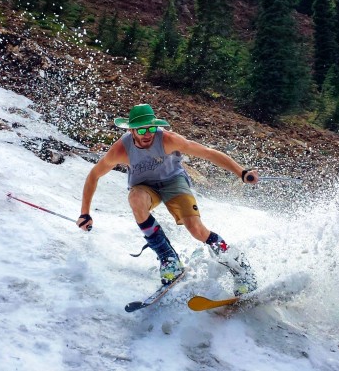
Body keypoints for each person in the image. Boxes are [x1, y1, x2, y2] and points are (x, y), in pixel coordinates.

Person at [77, 103, 259, 296]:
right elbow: (93, 176)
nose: (148, 134)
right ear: (131, 130)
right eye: (141, 129)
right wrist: (85, 213)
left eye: (151, 128)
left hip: (174, 181)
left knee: (196, 229)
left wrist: (242, 172)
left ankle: (240, 268)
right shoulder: (121, 150)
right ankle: (168, 258)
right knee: (135, 198)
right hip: (145, 187)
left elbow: (207, 153)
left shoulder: (168, 140)